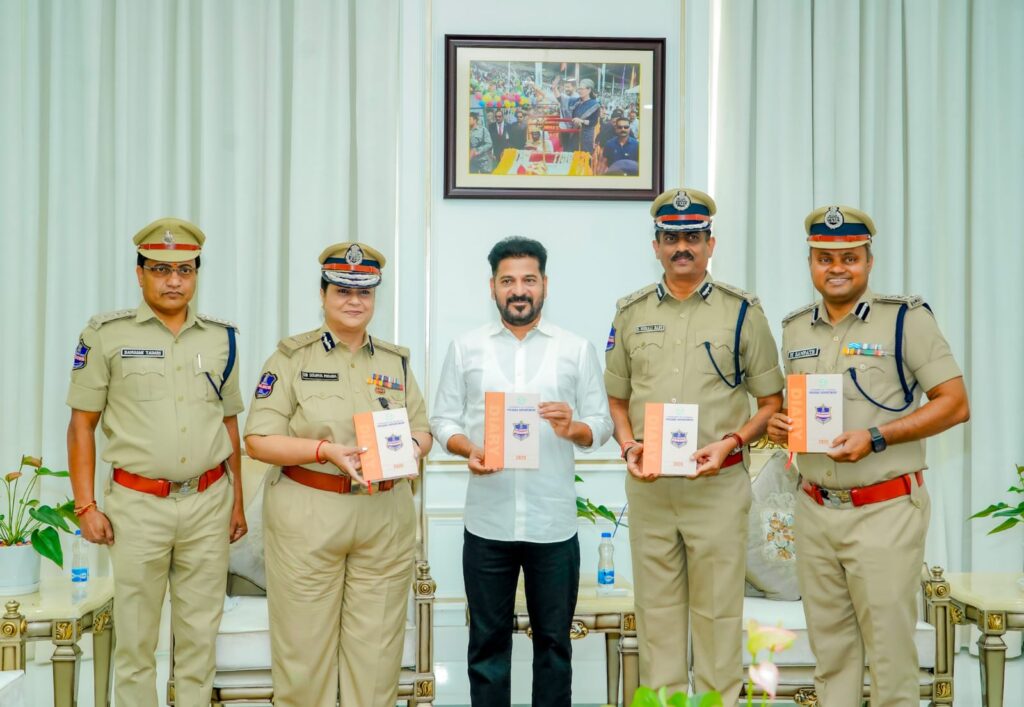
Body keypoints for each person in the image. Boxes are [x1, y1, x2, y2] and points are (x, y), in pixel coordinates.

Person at [766, 206, 969, 707]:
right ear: (810, 263)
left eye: (849, 258)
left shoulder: (906, 320)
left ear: (869, 262)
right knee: (832, 658)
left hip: (884, 511)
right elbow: (798, 410)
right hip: (814, 509)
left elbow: (954, 403)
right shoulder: (795, 328)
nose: (837, 268)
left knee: (890, 659)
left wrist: (876, 437)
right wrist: (778, 424)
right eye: (824, 258)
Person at [604, 188, 784, 702]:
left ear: (710, 244)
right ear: (656, 246)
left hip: (717, 487)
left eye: (692, 237)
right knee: (656, 616)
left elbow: (770, 402)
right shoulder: (631, 312)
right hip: (652, 488)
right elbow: (617, 399)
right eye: (671, 238)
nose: (681, 247)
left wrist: (732, 442)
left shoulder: (743, 312)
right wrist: (628, 446)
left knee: (718, 616)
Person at [66, 217, 246, 707]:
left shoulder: (222, 338)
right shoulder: (105, 335)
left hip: (209, 503)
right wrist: (85, 506)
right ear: (140, 273)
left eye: (184, 270)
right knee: (136, 644)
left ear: (196, 275)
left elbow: (229, 424)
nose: (173, 281)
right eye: (161, 269)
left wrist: (237, 504)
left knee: (199, 643)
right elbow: (81, 425)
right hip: (137, 507)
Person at [243, 242, 432, 707]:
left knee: (377, 662)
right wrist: (323, 450)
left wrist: (411, 447)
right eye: (343, 291)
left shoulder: (394, 362)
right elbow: (258, 440)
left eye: (364, 292)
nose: (354, 301)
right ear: (323, 294)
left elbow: (422, 429)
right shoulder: (291, 359)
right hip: (310, 514)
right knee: (304, 660)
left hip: (383, 517)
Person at [431, 237, 613, 707]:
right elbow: (443, 420)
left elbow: (602, 423)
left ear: (545, 284)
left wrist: (573, 428)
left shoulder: (575, 349)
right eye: (508, 280)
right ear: (492, 287)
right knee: (487, 646)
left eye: (528, 280)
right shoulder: (465, 348)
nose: (518, 290)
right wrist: (469, 448)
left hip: (552, 525)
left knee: (554, 645)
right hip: (487, 522)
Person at [569, 78, 601, 156]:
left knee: (585, 156)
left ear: (589, 90)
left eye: (582, 89)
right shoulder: (576, 102)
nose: (579, 91)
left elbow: (594, 122)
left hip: (586, 134)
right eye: (579, 89)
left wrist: (582, 121)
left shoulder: (594, 104)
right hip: (574, 132)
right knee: (573, 154)